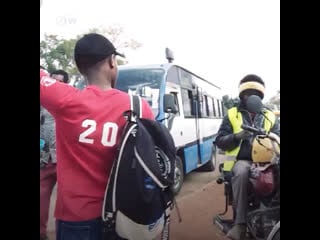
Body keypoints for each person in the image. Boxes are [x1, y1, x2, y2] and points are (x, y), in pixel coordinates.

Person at [40, 33, 155, 240]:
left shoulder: (65, 100)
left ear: (78, 67)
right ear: (112, 61)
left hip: (76, 219)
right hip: (124, 214)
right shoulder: (138, 106)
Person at [215, 74, 280, 240]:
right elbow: (220, 141)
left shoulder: (270, 115)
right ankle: (240, 224)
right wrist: (236, 137)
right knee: (242, 171)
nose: (252, 98)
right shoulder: (232, 114)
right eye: (249, 94)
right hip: (242, 160)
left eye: (256, 95)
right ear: (242, 96)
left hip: (268, 160)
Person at [40, 69, 69, 240]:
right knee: (41, 197)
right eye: (53, 81)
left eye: (60, 82)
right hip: (44, 159)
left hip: (65, 161)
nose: (55, 85)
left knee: (66, 201)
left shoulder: (70, 104)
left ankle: (65, 233)